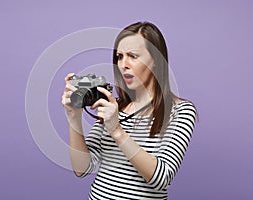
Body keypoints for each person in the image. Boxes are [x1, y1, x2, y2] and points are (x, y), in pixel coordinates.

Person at [61, 21, 197, 200]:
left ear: (156, 61)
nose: (123, 64)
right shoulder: (113, 106)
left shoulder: (180, 111)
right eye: (119, 56)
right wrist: (74, 118)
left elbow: (161, 178)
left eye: (133, 56)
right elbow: (82, 168)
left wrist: (117, 130)